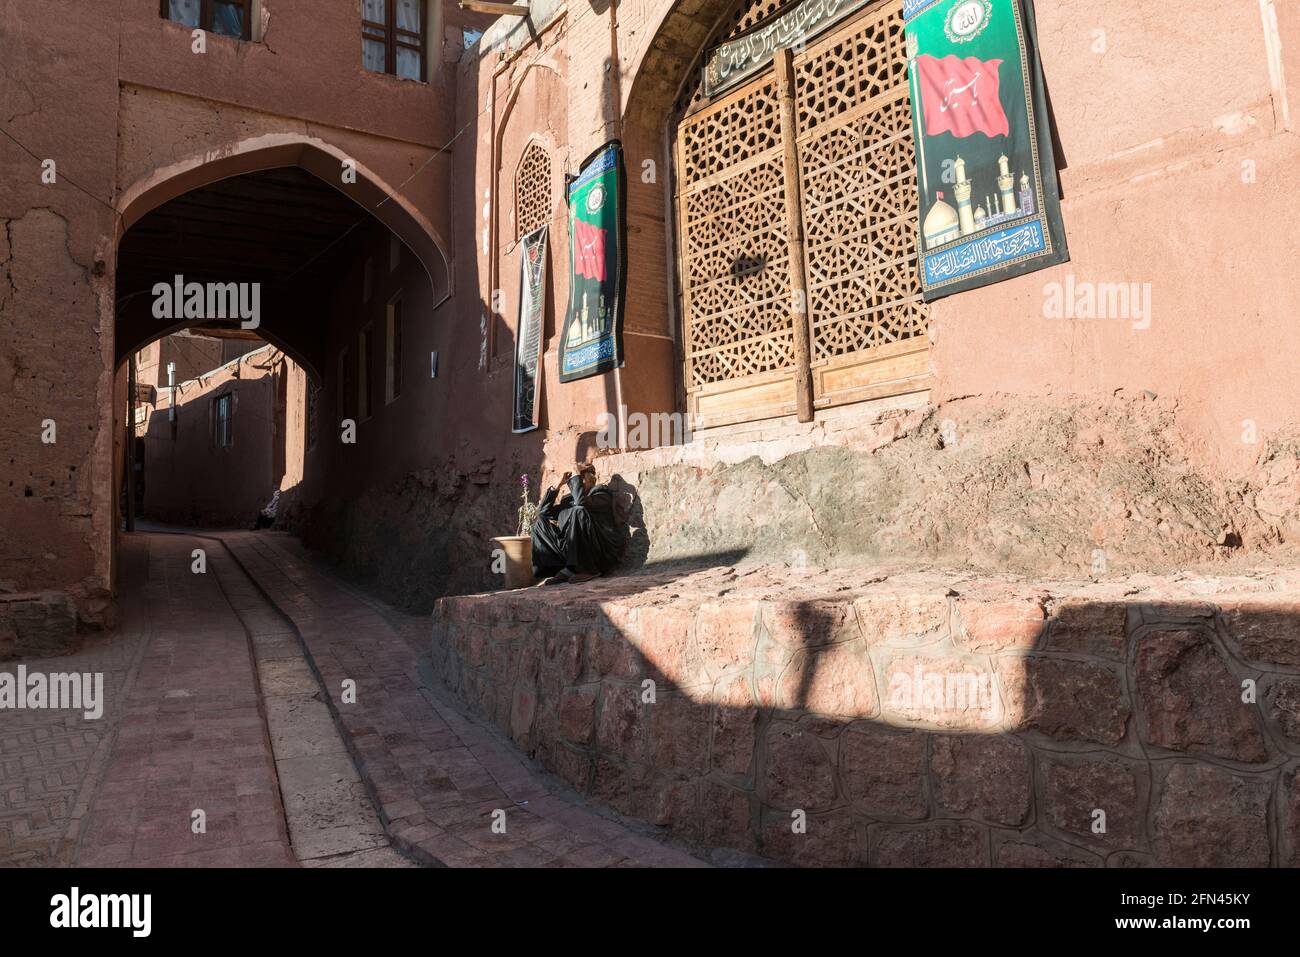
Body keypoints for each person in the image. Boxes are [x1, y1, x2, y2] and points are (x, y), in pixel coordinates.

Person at [530, 463, 623, 584]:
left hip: (597, 552)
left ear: (591, 479)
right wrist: (557, 485)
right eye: (576, 479)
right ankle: (563, 570)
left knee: (578, 510)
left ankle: (588, 570)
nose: (576, 482)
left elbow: (581, 502)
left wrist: (576, 475)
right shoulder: (568, 499)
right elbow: (542, 513)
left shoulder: (600, 493)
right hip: (571, 550)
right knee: (539, 524)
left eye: (580, 478)